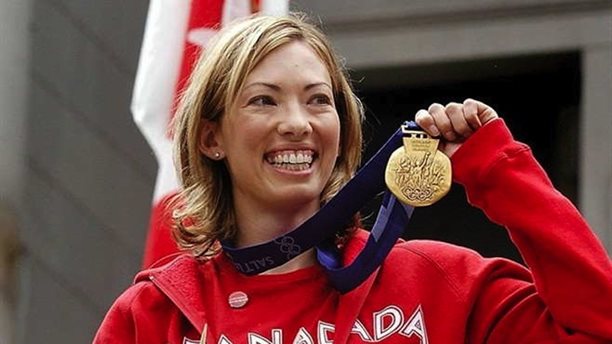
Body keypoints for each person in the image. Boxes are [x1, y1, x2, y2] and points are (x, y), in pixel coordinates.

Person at [93, 13, 612, 344]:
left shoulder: (437, 286)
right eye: (263, 100)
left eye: (319, 100)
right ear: (211, 139)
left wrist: (499, 170)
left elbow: (598, 325)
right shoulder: (156, 317)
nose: (298, 122)